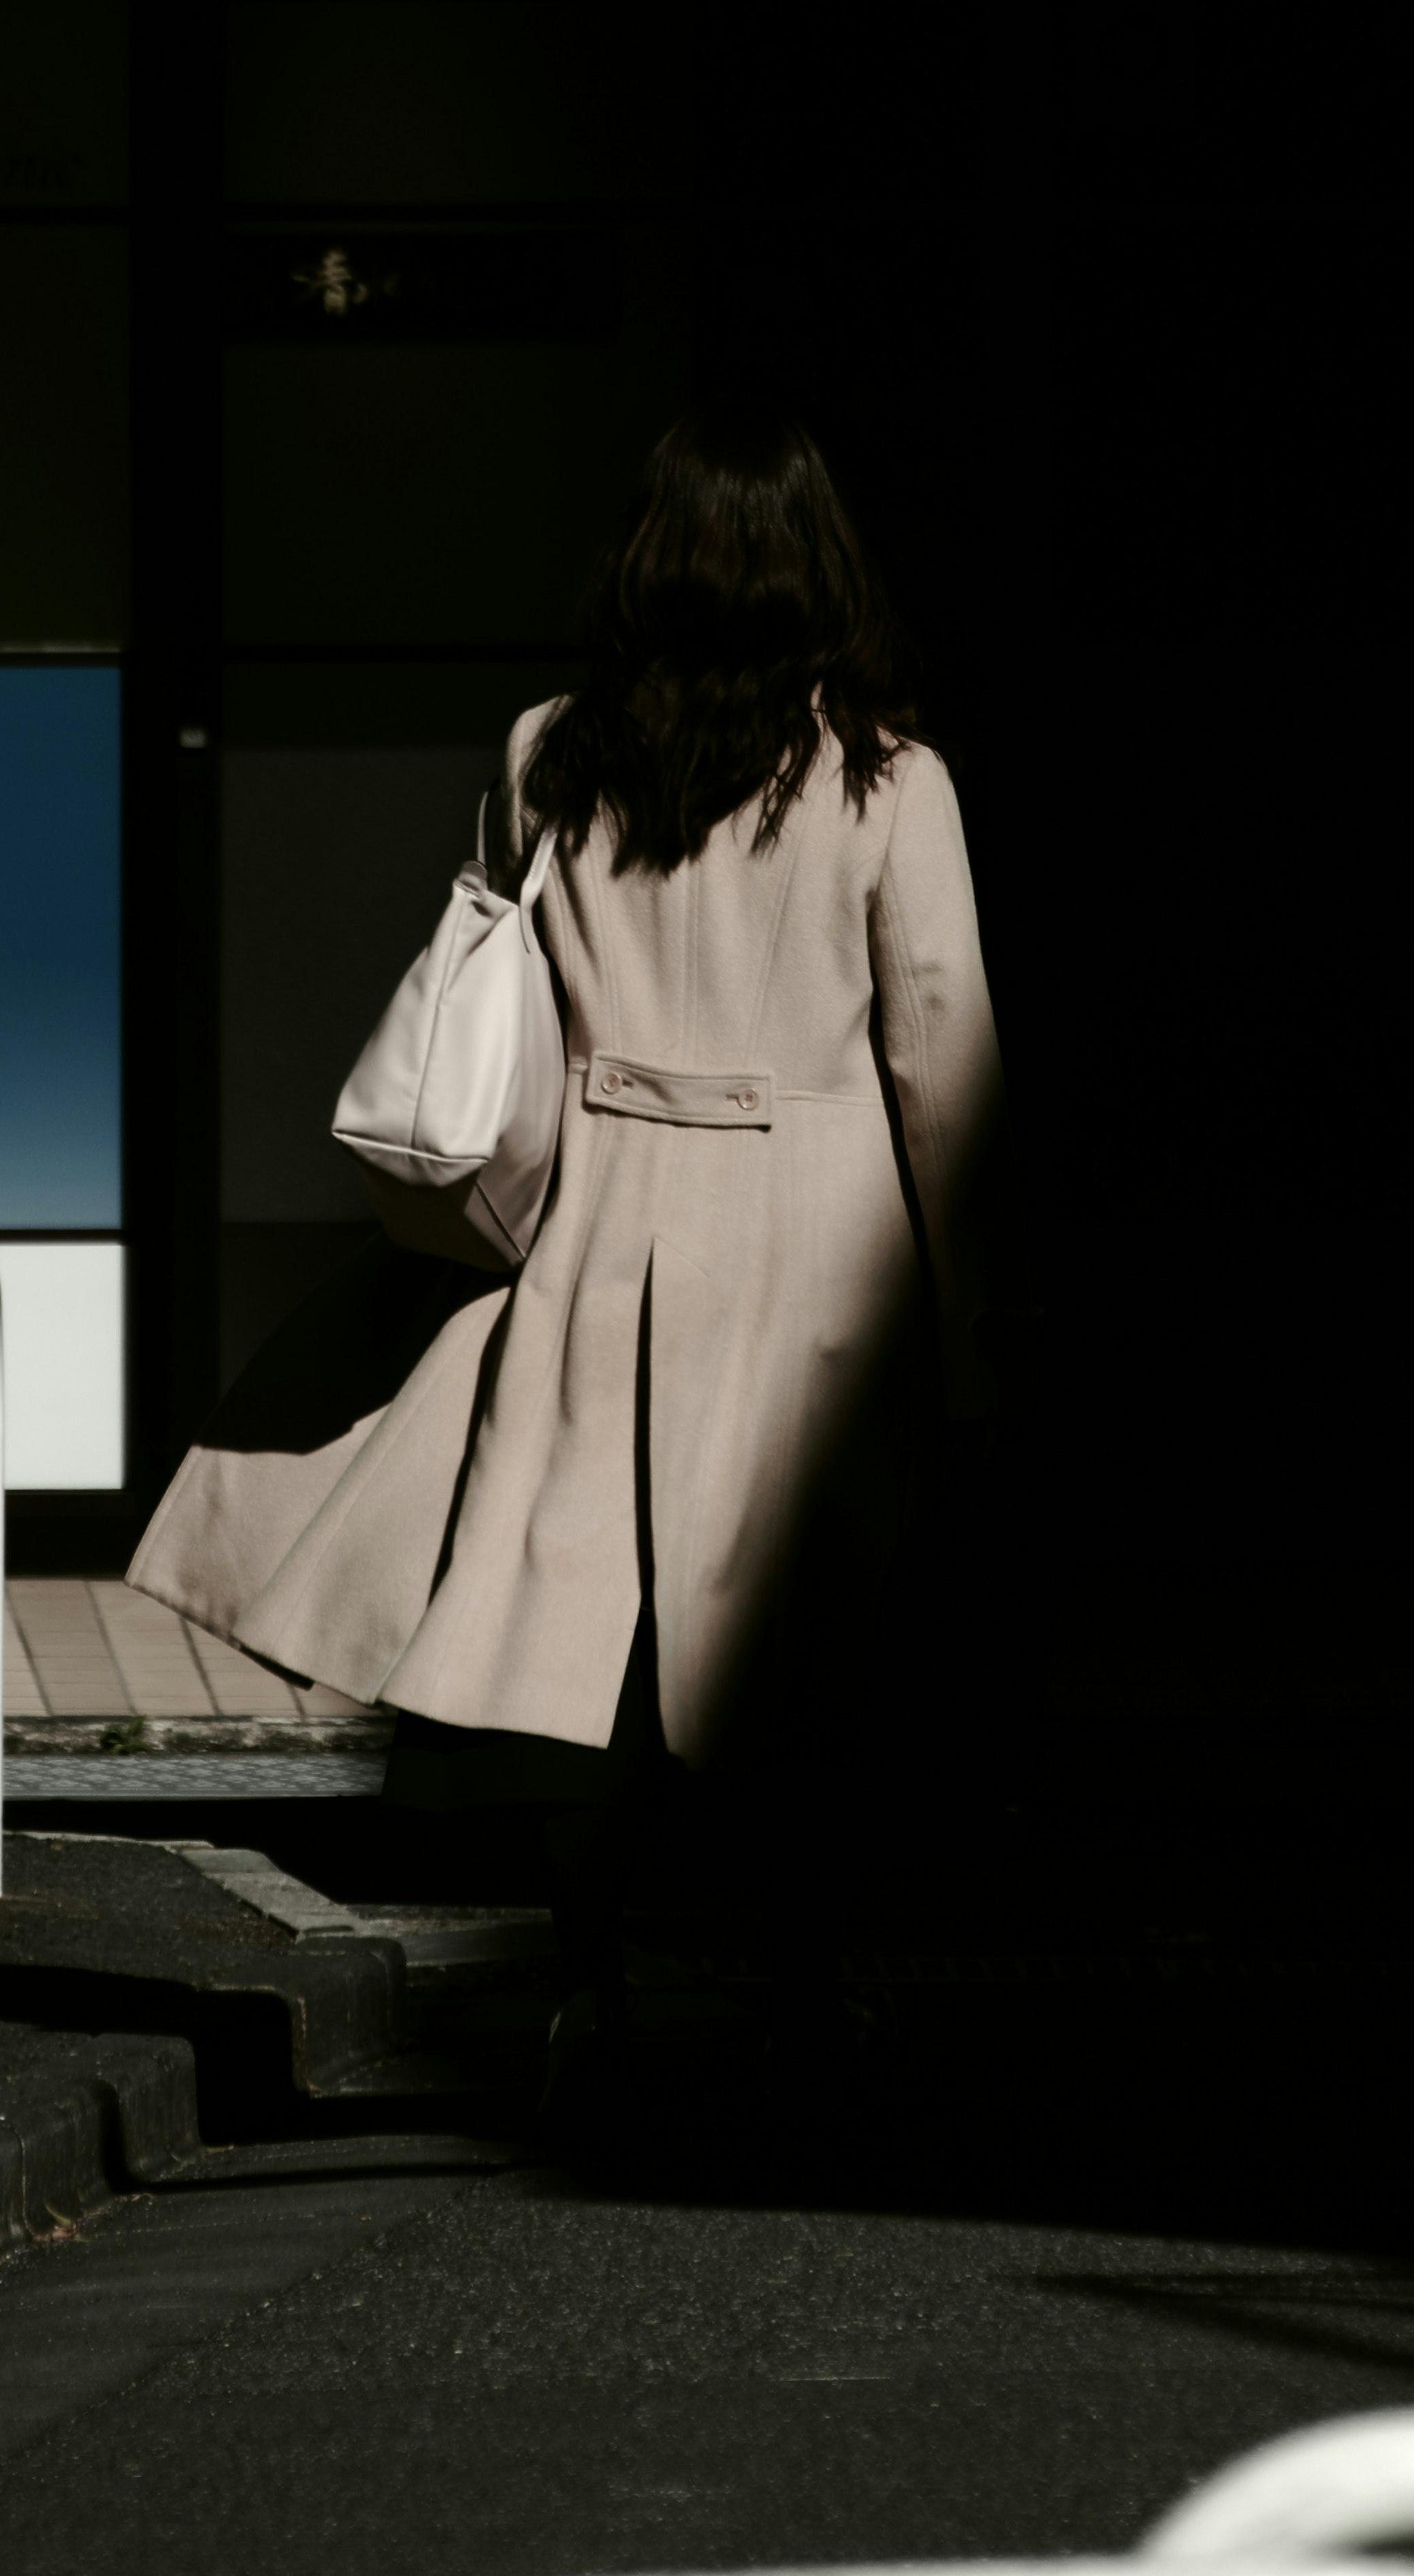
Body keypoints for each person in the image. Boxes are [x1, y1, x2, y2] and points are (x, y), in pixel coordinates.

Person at [128, 401, 1002, 2117]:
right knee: (801, 1658)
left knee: (572, 1659)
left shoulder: (553, 752)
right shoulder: (893, 783)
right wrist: (977, 1334)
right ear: (820, 563)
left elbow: (510, 1004)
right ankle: (804, 1999)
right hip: (821, 1267)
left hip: (600, 1229)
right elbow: (941, 1058)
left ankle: (589, 1980)